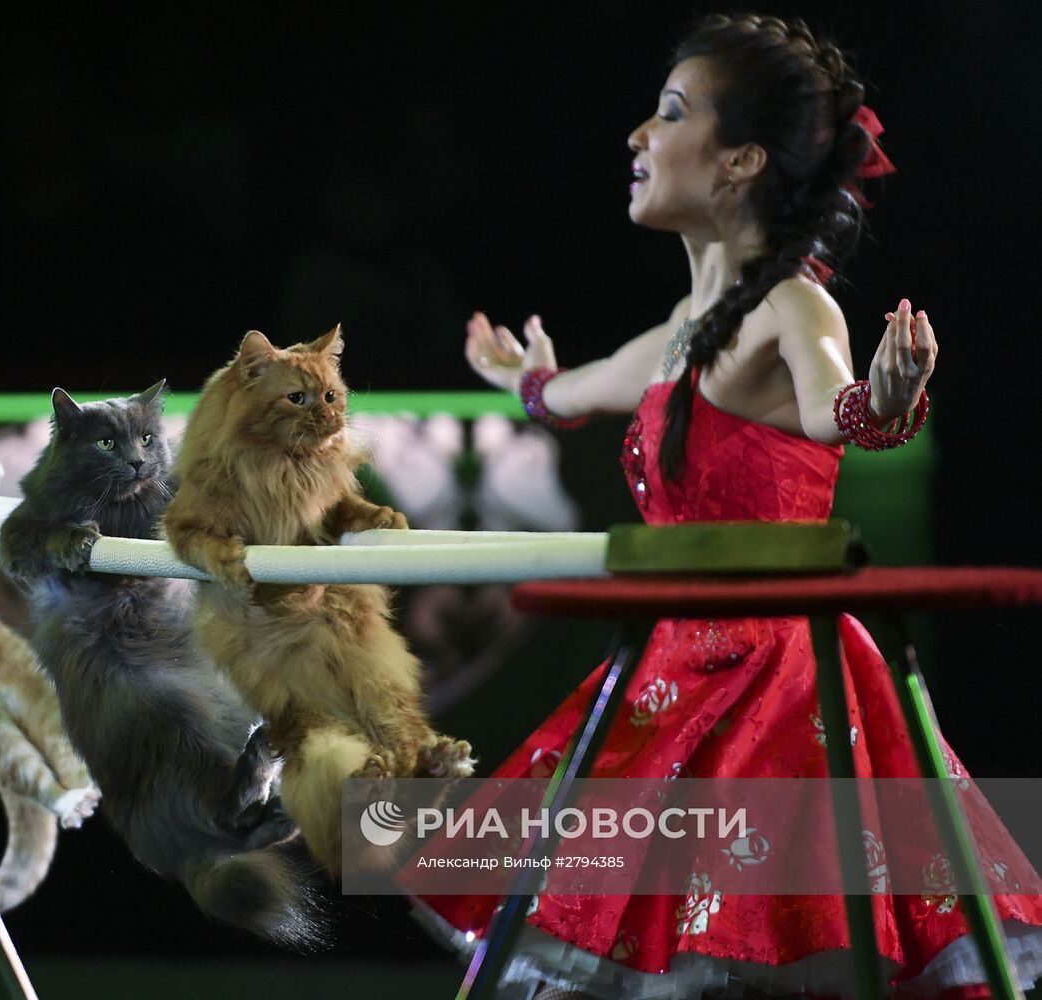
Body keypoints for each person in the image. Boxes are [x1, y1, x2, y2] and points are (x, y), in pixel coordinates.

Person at [414, 13, 1042, 1000]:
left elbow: (838, 408)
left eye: (667, 114)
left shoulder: (790, 305)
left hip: (775, 692)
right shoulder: (677, 333)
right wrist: (525, 381)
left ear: (740, 159)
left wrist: (884, 401)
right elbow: (576, 394)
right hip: (666, 677)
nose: (635, 138)